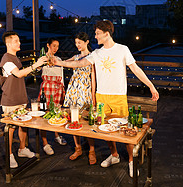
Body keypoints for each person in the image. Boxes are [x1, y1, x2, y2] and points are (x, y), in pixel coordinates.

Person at [52, 20, 159, 177]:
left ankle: (131, 161)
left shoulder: (122, 50)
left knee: (125, 131)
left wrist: (151, 86)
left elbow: (135, 69)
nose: (95, 37)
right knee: (106, 131)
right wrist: (59, 62)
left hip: (118, 97)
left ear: (106, 33)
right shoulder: (96, 53)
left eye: (97, 33)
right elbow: (79, 63)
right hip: (101, 97)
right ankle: (114, 155)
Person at [0, 31, 48, 169]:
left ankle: (22, 149)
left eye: (19, 40)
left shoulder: (15, 58)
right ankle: (9, 155)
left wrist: (36, 66)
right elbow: (19, 74)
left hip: (20, 98)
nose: (19, 43)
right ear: (8, 43)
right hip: (10, 100)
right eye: (15, 41)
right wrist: (35, 64)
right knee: (10, 128)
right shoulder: (6, 59)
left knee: (23, 125)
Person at [63, 32, 96, 164]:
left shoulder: (92, 57)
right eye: (76, 43)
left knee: (88, 121)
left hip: (85, 89)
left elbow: (93, 76)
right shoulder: (76, 56)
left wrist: (93, 94)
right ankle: (78, 148)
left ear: (87, 42)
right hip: (73, 90)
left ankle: (92, 150)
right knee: (73, 119)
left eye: (79, 43)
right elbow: (64, 62)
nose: (77, 45)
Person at [38, 38, 67, 155]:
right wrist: (41, 62)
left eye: (57, 46)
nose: (56, 48)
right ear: (48, 45)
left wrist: (63, 90)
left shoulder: (58, 59)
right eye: (54, 46)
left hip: (58, 88)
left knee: (56, 112)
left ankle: (56, 135)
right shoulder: (42, 59)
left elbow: (61, 76)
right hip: (47, 88)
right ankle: (45, 143)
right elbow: (37, 70)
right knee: (44, 113)